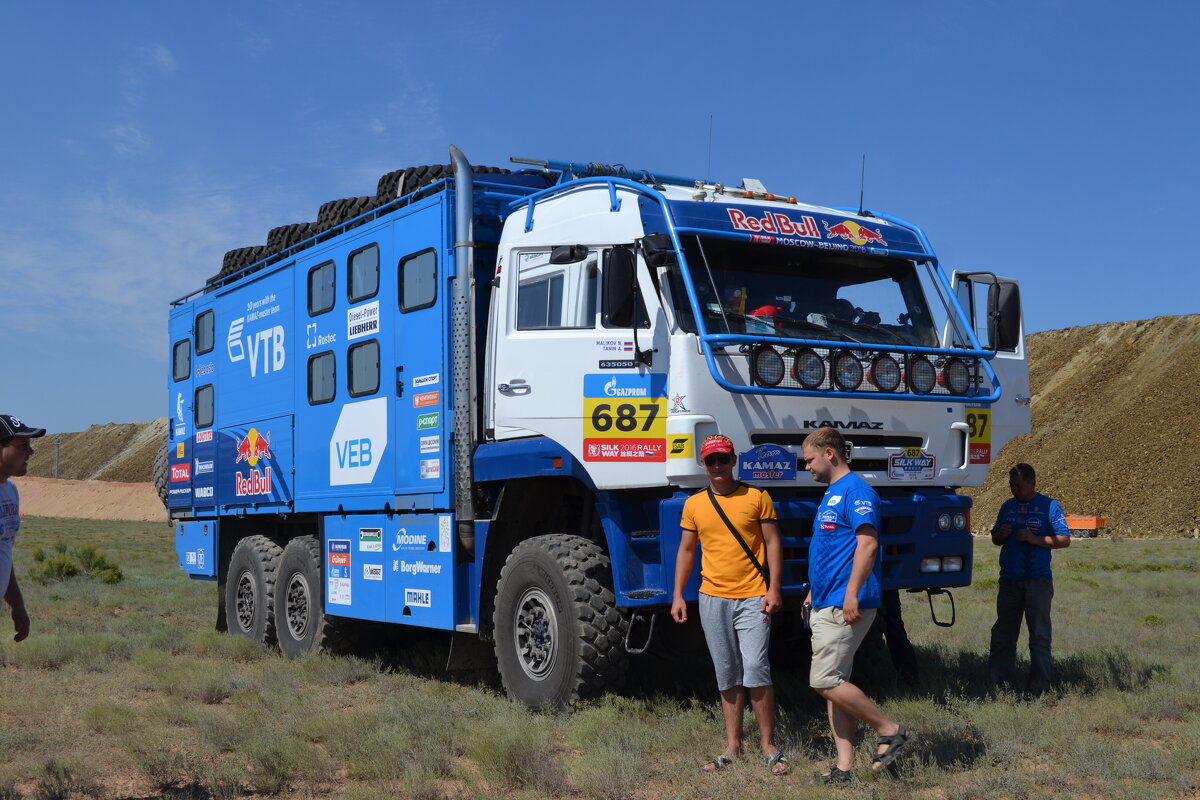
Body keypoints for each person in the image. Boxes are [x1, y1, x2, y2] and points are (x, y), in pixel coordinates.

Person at [802, 427, 914, 782]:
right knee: (836, 689)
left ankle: (890, 730)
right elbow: (831, 548)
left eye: (809, 460)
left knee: (824, 681)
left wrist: (851, 593)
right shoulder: (833, 493)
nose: (807, 468)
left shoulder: (857, 491)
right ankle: (844, 768)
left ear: (830, 454)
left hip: (844, 602)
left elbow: (867, 545)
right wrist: (812, 593)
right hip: (826, 599)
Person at [671, 434, 787, 775]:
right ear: (703, 465)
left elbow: (773, 543)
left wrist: (774, 588)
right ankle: (733, 747)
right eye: (711, 460)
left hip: (753, 595)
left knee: (756, 668)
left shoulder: (757, 496)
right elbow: (687, 551)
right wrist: (679, 595)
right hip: (712, 598)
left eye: (723, 458)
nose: (718, 465)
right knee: (726, 671)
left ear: (734, 460)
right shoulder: (694, 505)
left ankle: (768, 745)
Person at [988, 463, 1070, 694]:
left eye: (1019, 486)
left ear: (1033, 483)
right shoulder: (1007, 506)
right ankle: (1000, 684)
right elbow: (995, 538)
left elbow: (1064, 539)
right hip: (1010, 581)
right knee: (1003, 633)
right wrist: (1000, 536)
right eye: (1012, 486)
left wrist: (1035, 540)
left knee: (1040, 634)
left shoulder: (1049, 506)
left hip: (1038, 581)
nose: (1015, 490)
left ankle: (1040, 686)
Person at [0, 413, 45, 643]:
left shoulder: (10, 491)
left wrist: (17, 604)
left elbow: (3, 552)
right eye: (22, 445)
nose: (30, 452)